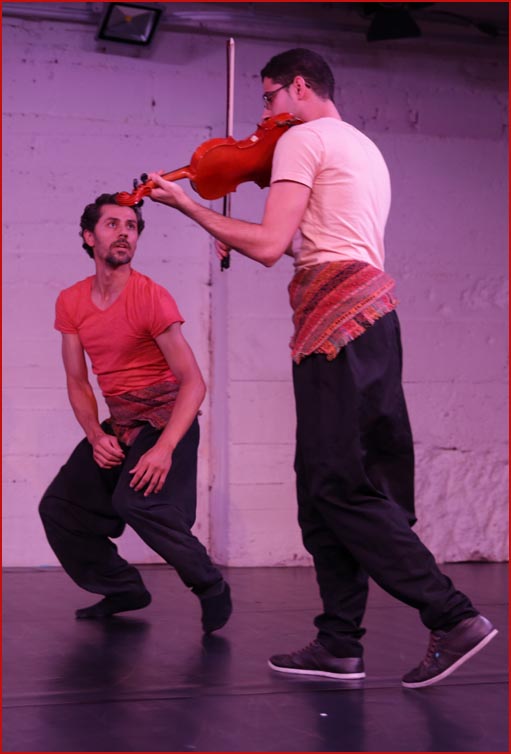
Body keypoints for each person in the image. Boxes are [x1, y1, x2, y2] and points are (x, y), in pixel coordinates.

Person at [143, 48, 497, 688]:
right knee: (320, 487)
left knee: (338, 485)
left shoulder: (302, 141)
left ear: (299, 87)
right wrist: (229, 216)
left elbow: (269, 246)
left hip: (335, 324)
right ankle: (338, 643)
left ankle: (452, 616)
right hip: (372, 323)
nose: (264, 116)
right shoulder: (363, 147)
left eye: (269, 98)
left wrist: (188, 206)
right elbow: (319, 239)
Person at [39, 194, 232, 633]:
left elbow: (193, 382)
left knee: (137, 501)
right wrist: (95, 435)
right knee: (59, 508)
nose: (124, 232)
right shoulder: (71, 301)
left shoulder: (151, 297)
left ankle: (210, 584)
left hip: (166, 417)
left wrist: (164, 449)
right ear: (89, 237)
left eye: (131, 226)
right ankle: (122, 587)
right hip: (122, 421)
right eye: (112, 224)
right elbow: (77, 381)